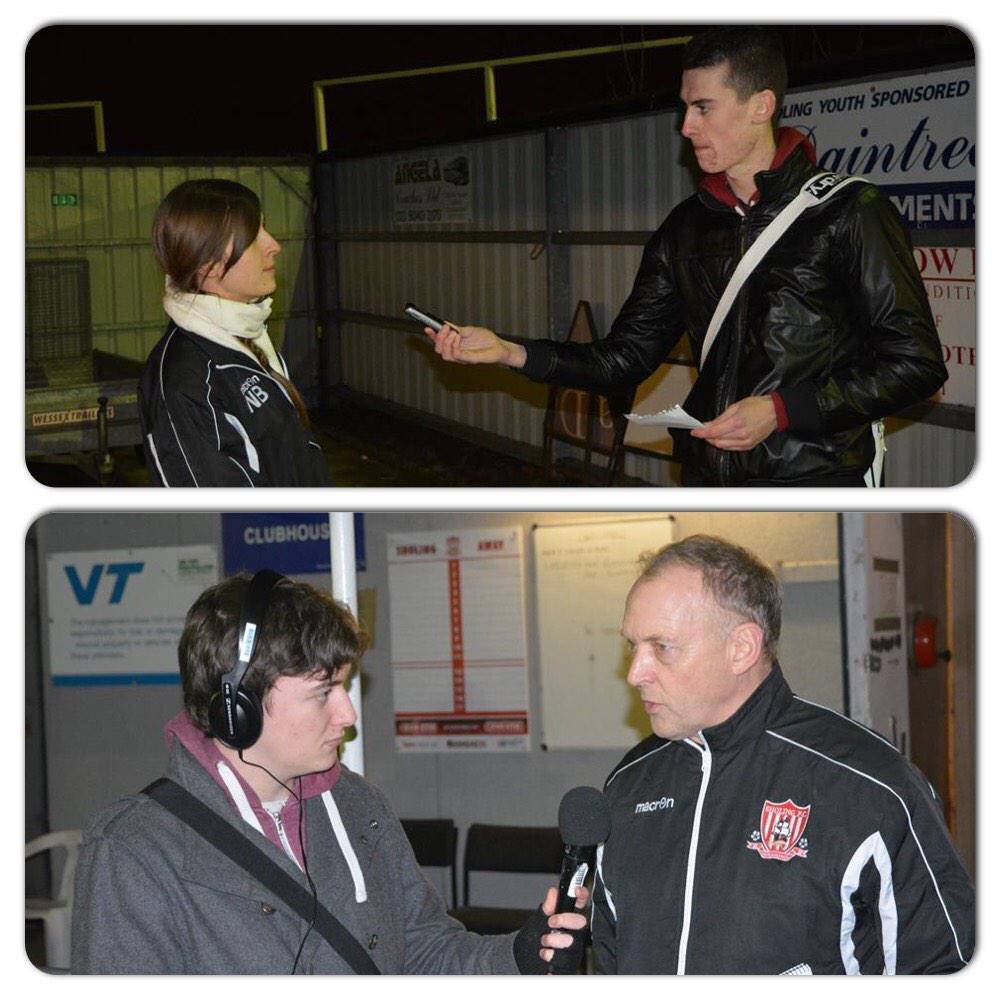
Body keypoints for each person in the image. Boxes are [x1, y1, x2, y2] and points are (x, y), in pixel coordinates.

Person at [424, 28, 948, 486]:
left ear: (760, 106)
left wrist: (782, 411)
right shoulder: (685, 227)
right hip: (705, 479)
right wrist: (508, 352)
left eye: (703, 108)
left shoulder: (851, 211)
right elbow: (622, 359)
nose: (685, 127)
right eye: (685, 107)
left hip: (813, 480)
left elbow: (916, 365)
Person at [71, 572, 586, 974]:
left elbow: (426, 953)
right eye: (323, 693)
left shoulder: (360, 808)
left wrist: (519, 955)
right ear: (238, 706)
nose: (348, 714)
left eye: (344, 688)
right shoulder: (136, 850)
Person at [591, 534, 974, 973]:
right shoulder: (628, 783)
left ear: (741, 649)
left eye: (662, 648)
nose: (636, 673)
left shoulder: (871, 786)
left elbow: (947, 968)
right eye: (632, 647)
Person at [138, 179, 332, 486]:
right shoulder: (186, 380)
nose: (274, 246)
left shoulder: (247, 337)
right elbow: (224, 522)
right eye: (254, 236)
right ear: (209, 263)